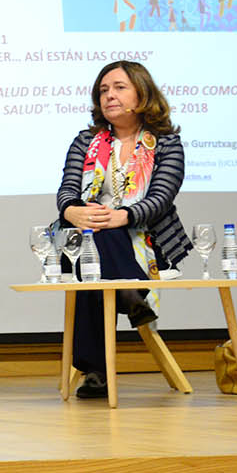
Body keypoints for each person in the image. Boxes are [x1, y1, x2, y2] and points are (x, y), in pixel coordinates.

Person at [55, 60, 189, 399]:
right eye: (103, 90)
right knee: (93, 239)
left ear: (142, 93)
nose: (109, 96)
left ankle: (95, 370)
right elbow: (67, 191)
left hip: (146, 239)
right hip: (88, 233)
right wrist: (74, 211)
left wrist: (122, 216)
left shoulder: (166, 143)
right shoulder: (85, 141)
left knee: (96, 249)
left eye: (118, 88)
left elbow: (161, 199)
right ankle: (131, 293)